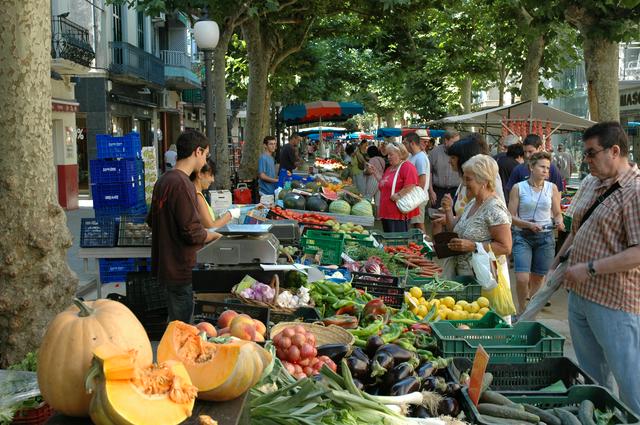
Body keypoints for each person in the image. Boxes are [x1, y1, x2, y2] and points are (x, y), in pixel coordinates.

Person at [552, 122, 640, 414]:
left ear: (615, 151)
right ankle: (605, 418)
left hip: (614, 302)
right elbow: (578, 228)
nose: (585, 160)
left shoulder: (634, 191)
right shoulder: (591, 182)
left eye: (591, 154)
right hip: (580, 297)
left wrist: (589, 268)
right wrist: (560, 259)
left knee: (631, 380)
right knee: (593, 375)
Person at [147, 131, 219, 323]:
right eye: (205, 155)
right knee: (182, 329)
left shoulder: (163, 180)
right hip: (181, 268)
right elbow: (192, 233)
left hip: (167, 266)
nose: (205, 160)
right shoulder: (182, 184)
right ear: (197, 151)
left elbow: (151, 221)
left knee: (176, 325)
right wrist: (216, 236)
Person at [434, 154, 512, 278]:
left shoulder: (495, 209)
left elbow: (506, 247)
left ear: (484, 181)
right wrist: (448, 210)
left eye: (468, 179)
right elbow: (455, 229)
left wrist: (474, 246)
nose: (464, 184)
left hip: (485, 280)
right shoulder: (472, 203)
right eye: (464, 179)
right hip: (464, 277)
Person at [508, 151, 565, 314]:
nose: (546, 171)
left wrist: (559, 221)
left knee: (538, 278)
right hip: (522, 236)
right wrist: (526, 224)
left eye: (548, 168)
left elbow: (557, 212)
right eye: (542, 167)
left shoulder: (552, 188)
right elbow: (510, 216)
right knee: (521, 278)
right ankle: (521, 309)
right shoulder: (518, 188)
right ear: (531, 167)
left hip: (546, 237)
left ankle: (530, 309)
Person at [446, 136, 505, 219]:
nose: (449, 161)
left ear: (464, 158)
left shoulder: (487, 176)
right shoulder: (464, 179)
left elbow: (500, 213)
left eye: (453, 157)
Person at [376, 142, 420, 232]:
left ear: (400, 154)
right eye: (388, 154)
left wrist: (399, 195)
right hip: (387, 211)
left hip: (398, 213)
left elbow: (412, 184)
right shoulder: (390, 169)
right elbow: (384, 184)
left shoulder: (407, 166)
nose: (388, 157)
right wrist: (375, 173)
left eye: (391, 154)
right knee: (390, 239)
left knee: (398, 240)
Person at [190, 159, 239, 230]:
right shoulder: (197, 196)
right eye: (211, 175)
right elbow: (211, 226)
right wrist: (230, 215)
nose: (213, 180)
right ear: (200, 174)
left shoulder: (197, 194)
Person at [428, 129, 461, 208]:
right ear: (446, 140)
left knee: (454, 216)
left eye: (458, 142)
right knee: (437, 216)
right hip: (438, 192)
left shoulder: (461, 152)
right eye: (454, 142)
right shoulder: (434, 152)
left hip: (456, 191)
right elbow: (429, 172)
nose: (457, 144)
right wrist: (431, 191)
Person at [406, 132, 430, 233]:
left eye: (405, 143)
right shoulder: (412, 156)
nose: (404, 145)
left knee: (419, 224)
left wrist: (415, 199)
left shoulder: (420, 157)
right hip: (415, 197)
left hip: (418, 198)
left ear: (412, 143)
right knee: (416, 224)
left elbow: (422, 180)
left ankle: (427, 244)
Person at [364, 146, 386, 216]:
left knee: (368, 197)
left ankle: (366, 213)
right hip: (381, 180)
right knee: (378, 200)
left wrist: (364, 172)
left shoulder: (372, 160)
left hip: (373, 179)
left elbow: (370, 171)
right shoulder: (382, 159)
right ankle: (378, 216)